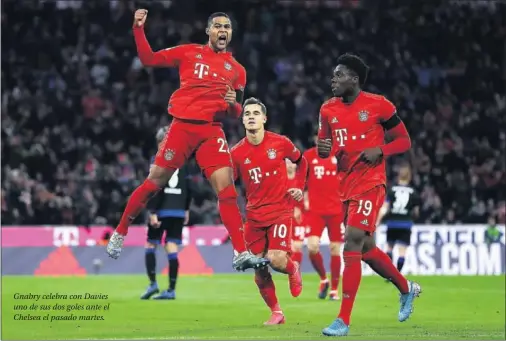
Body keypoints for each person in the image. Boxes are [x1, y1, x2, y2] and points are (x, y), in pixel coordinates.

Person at [106, 10, 269, 272]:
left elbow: (236, 111)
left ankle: (240, 252)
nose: (222, 30)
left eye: (227, 26)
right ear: (209, 31)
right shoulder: (189, 52)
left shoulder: (238, 71)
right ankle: (121, 231)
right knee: (153, 184)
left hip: (211, 131)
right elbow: (148, 59)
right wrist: (138, 29)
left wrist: (232, 107)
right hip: (182, 127)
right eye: (217, 26)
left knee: (227, 190)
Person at [317, 53, 421, 336]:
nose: (333, 80)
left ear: (354, 78)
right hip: (344, 185)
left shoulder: (379, 105)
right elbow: (325, 143)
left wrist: (382, 150)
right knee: (365, 250)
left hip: (371, 183)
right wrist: (324, 151)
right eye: (333, 75)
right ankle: (406, 287)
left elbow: (404, 140)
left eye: (339, 75)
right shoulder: (327, 109)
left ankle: (343, 320)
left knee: (351, 242)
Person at [230, 97, 308, 325]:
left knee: (275, 260)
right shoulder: (236, 153)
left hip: (280, 212)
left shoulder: (280, 143)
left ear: (264, 118)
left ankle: (293, 268)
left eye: (256, 113)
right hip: (254, 217)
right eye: (247, 114)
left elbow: (302, 162)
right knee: (259, 269)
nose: (251, 116)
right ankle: (277, 312)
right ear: (243, 120)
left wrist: (298, 188)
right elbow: (228, 186)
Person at [141, 126, 192, 300]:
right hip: (178, 210)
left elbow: (155, 187)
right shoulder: (183, 160)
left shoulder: (158, 159)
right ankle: (171, 289)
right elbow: (189, 187)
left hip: (162, 209)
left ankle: (153, 284)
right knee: (171, 246)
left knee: (150, 245)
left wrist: (153, 211)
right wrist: (186, 209)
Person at [303, 133, 344, 300]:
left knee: (335, 249)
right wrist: (303, 197)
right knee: (312, 247)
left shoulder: (340, 156)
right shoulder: (308, 156)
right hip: (315, 211)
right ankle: (323, 279)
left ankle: (334, 289)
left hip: (336, 210)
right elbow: (300, 179)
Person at [376, 163, 420, 275]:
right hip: (405, 223)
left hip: (392, 223)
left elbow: (384, 209)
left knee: (389, 248)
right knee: (402, 251)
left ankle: (388, 273)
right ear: (409, 176)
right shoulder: (414, 192)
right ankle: (397, 275)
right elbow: (416, 212)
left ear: (398, 176)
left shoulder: (391, 190)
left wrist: (377, 222)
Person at [286, 160, 307, 268]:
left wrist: (300, 208)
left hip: (299, 218)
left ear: (295, 165)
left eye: (291, 163)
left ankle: (296, 269)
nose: (289, 165)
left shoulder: (300, 179)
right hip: (285, 217)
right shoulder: (281, 180)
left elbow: (307, 197)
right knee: (289, 247)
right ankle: (292, 269)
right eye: (287, 163)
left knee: (297, 245)